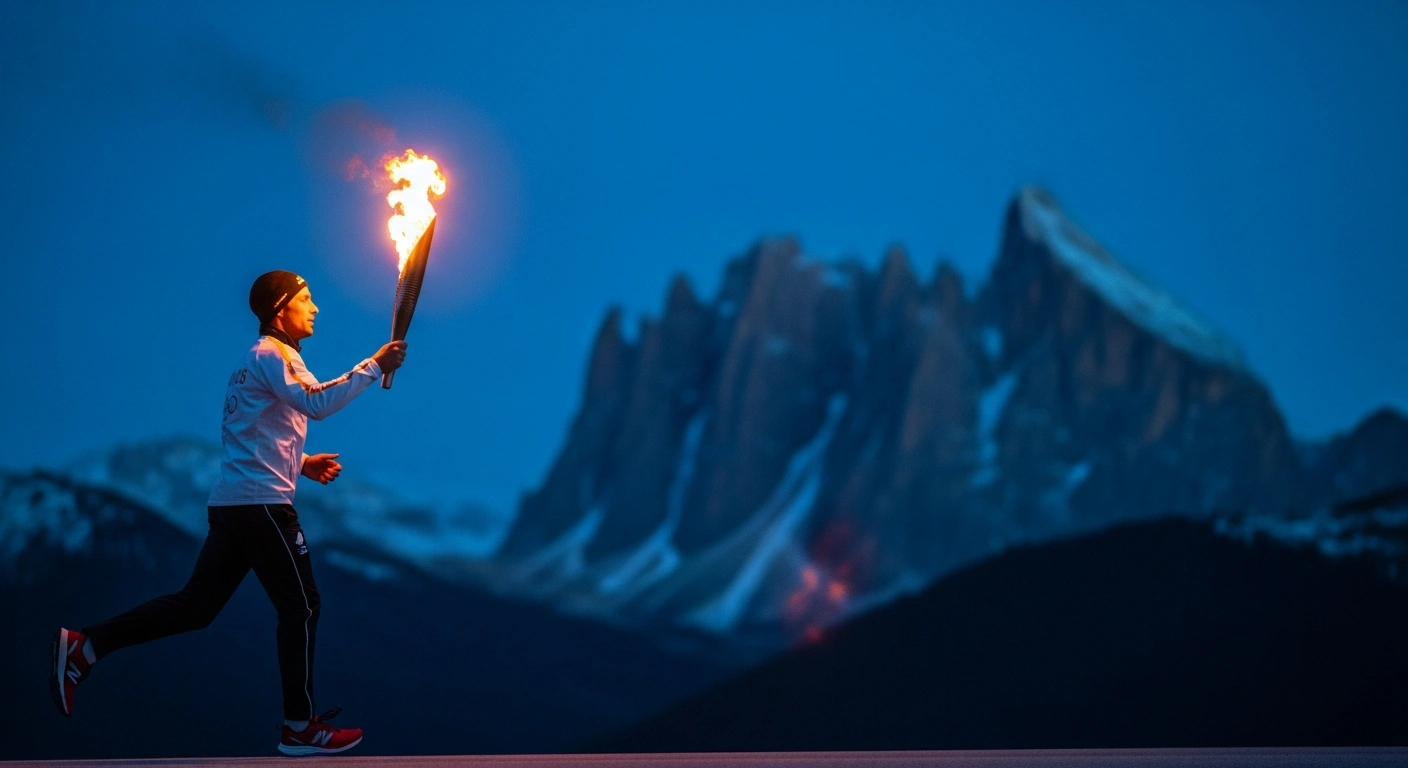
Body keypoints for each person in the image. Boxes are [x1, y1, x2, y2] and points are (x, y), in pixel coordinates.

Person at [51, 270, 407, 756]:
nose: (315, 308)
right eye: (306, 299)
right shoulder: (274, 355)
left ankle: (86, 647)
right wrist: (374, 364)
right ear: (280, 308)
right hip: (261, 507)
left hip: (235, 505)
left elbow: (253, 432)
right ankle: (300, 727)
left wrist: (301, 463)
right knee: (301, 606)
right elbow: (317, 402)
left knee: (196, 607)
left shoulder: (252, 362)